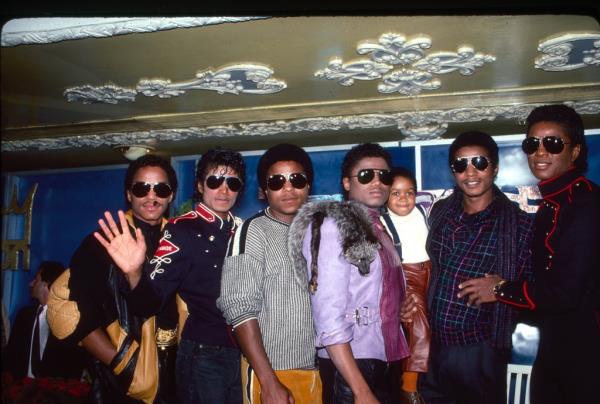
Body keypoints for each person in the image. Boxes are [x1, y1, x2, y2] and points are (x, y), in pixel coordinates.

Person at [463, 105, 600, 404]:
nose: (540, 152)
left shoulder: (586, 203)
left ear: (574, 152)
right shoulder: (552, 204)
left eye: (552, 143)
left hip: (586, 352)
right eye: (532, 144)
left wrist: (499, 289)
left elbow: (565, 294)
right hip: (556, 346)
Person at [93, 148, 246, 404]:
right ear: (200, 186)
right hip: (204, 355)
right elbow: (149, 302)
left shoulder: (244, 230)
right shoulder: (182, 230)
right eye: (214, 181)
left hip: (244, 352)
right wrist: (134, 273)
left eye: (232, 183)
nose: (223, 190)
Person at [46, 154, 179, 404]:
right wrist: (123, 365)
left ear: (171, 195)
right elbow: (68, 309)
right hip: (119, 387)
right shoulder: (103, 243)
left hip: (176, 381)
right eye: (142, 188)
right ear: (129, 194)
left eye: (160, 189)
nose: (151, 197)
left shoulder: (179, 240)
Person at [416, 131, 533, 404]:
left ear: (495, 167)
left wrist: (503, 289)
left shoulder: (520, 225)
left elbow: (543, 290)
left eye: (479, 162)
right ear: (453, 171)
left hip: (479, 351)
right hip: (432, 346)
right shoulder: (441, 211)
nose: (470, 172)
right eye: (461, 164)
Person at [289, 142, 410, 404]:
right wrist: (360, 389)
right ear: (346, 183)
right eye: (366, 175)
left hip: (385, 359)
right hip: (351, 367)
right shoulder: (332, 224)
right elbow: (327, 314)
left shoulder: (381, 229)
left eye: (384, 176)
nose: (377, 182)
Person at [217, 144, 322, 404]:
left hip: (321, 370)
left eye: (296, 180)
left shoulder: (320, 232)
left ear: (309, 186)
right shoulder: (252, 232)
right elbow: (239, 310)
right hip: (274, 373)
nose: (288, 188)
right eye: (277, 182)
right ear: (263, 191)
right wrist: (269, 381)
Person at [380, 167, 431, 404]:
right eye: (396, 193)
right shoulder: (381, 221)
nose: (404, 198)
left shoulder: (423, 212)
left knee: (433, 322)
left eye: (409, 193)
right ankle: (408, 386)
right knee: (417, 319)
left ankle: (425, 379)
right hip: (406, 276)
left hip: (431, 273)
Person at [3, 261, 86, 380]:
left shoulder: (69, 318)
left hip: (55, 393)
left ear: (46, 284)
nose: (31, 284)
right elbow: (11, 355)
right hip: (21, 392)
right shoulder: (24, 316)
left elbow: (74, 362)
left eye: (36, 280)